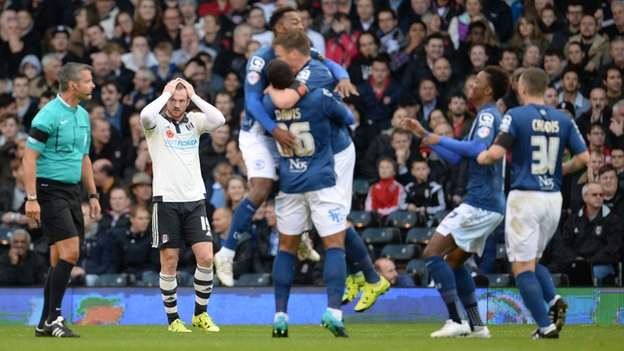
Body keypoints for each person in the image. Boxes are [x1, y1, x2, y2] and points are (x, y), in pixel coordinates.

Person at [213, 6, 357, 287]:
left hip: (286, 128)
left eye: (302, 21)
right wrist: (273, 129)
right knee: (262, 187)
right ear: (279, 28)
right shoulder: (261, 58)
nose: (301, 25)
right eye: (294, 21)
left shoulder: (299, 50)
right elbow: (252, 102)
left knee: (299, 182)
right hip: (259, 131)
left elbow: (328, 62)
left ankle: (301, 234)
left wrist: (343, 77)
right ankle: (226, 252)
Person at [262, 30, 389, 311]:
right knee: (332, 221)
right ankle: (360, 275)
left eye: (282, 55)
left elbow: (286, 101)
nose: (280, 60)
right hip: (318, 155)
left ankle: (371, 277)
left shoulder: (315, 75)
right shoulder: (309, 67)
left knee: (335, 221)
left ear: (295, 54)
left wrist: (269, 90)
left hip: (336, 154)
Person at [477, 67, 590, 339]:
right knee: (533, 260)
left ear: (523, 89)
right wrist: (558, 171)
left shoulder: (515, 115)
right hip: (553, 198)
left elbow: (495, 152)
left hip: (525, 197)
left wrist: (480, 158)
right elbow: (584, 158)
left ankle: (545, 326)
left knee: (521, 268)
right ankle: (552, 301)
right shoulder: (563, 118)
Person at [401, 66, 509, 338]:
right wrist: (424, 135)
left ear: (489, 90)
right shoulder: (483, 117)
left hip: (480, 202)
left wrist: (437, 137)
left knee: (431, 254)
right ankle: (477, 325)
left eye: (478, 82)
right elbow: (458, 158)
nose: (471, 86)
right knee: (455, 262)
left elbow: (476, 149)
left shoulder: (487, 116)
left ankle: (454, 319)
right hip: (490, 205)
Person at [263, 59, 353, 338]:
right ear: (294, 76)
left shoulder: (268, 105)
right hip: (321, 181)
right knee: (334, 245)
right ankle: (333, 311)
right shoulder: (319, 97)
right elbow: (349, 119)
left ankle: (280, 317)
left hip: (290, 183)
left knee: (287, 249)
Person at [140, 77, 225, 333]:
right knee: (169, 262)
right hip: (166, 201)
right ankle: (173, 319)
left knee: (206, 257)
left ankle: (200, 314)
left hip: (195, 200)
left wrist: (194, 95)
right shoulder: (155, 123)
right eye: (173, 100)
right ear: (166, 99)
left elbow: (219, 119)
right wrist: (165, 94)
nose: (177, 105)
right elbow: (145, 115)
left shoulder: (194, 121)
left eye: (181, 101)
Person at [23, 62, 101, 338]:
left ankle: (45, 321)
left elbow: (84, 158)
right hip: (48, 190)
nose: (93, 85)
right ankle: (55, 318)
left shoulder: (82, 116)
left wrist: (92, 194)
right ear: (72, 85)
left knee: (59, 257)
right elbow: (28, 158)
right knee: (70, 253)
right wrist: (31, 198)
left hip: (71, 191)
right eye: (88, 81)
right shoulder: (47, 115)